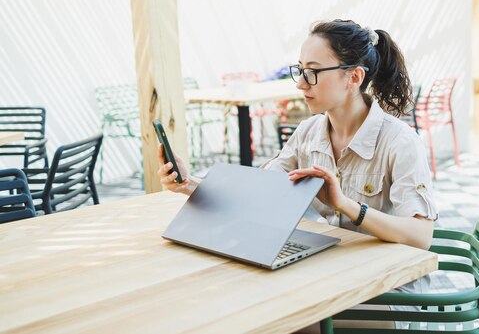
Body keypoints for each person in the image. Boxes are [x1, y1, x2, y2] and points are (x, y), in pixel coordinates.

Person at [157, 19, 438, 331]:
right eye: (300, 70)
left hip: (389, 291)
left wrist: (345, 204)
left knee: (286, 320)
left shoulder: (399, 142)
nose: (301, 83)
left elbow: (420, 236)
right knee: (243, 300)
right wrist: (189, 184)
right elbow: (258, 190)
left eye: (313, 72)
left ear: (353, 77)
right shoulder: (308, 133)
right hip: (337, 276)